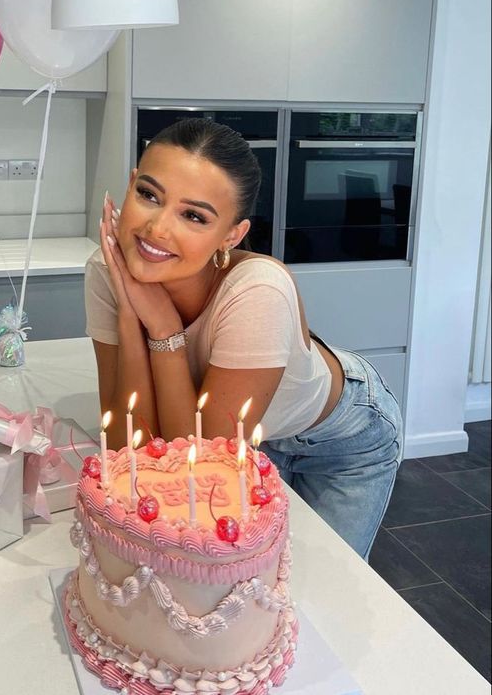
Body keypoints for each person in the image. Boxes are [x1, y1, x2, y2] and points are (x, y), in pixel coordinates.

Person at [85, 118, 402, 560]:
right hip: (248, 436)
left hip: (338, 439)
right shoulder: (109, 272)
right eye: (149, 195)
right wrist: (130, 318)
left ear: (232, 235)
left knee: (317, 590)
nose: (157, 228)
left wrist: (162, 327)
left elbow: (200, 468)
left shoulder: (257, 290)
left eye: (194, 216)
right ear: (131, 183)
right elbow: (132, 448)